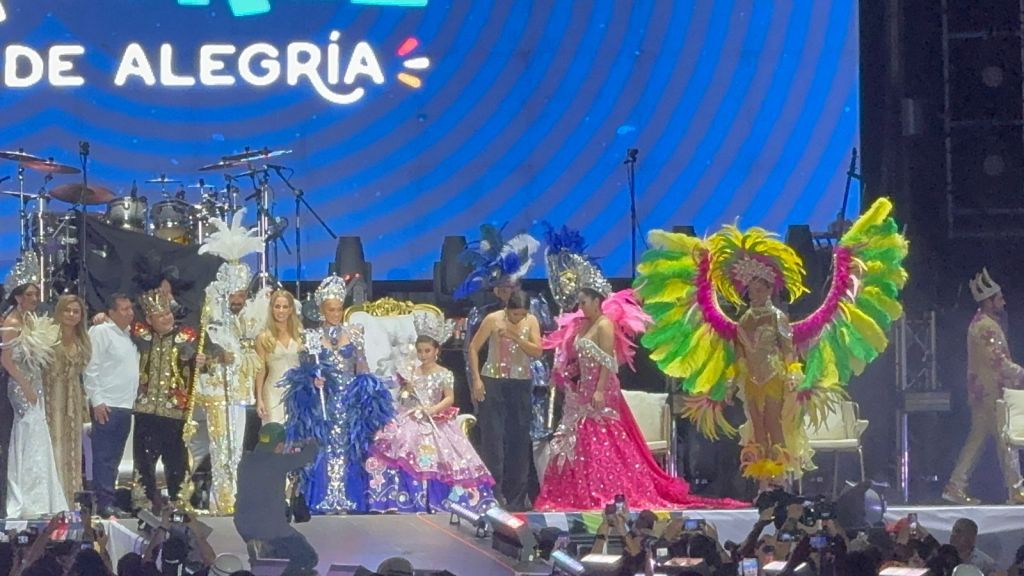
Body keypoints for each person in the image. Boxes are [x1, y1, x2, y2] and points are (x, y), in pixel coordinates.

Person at [633, 198, 908, 486]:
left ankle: (780, 481)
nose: (753, 294)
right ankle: (763, 482)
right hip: (751, 381)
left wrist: (793, 374)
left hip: (775, 378)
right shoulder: (744, 320)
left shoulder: (777, 318)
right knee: (757, 428)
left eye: (758, 289)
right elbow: (738, 354)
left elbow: (788, 350)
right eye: (750, 290)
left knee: (774, 424)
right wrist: (728, 383)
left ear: (769, 289)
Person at [535, 244, 743, 511]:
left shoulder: (604, 324)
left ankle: (606, 486)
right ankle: (577, 490)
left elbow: (608, 362)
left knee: (600, 436)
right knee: (576, 438)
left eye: (585, 302)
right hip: (582, 389)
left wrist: (599, 389)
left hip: (601, 387)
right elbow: (580, 357)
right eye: (580, 303)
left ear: (597, 301)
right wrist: (568, 373)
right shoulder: (584, 325)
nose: (581, 307)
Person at [281, 274, 393, 514]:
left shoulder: (354, 333)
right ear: (322, 310)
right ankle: (323, 497)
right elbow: (304, 370)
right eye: (331, 310)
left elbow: (362, 365)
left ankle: (348, 498)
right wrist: (313, 380)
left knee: (349, 446)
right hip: (325, 402)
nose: (336, 314)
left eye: (339, 309)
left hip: (349, 400)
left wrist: (368, 390)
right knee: (324, 446)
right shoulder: (311, 337)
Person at [364, 314, 497, 513]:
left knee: (447, 454)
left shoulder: (444, 373)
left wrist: (432, 410)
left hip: (435, 418)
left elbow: (449, 398)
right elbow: (403, 399)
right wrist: (406, 391)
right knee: (395, 443)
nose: (423, 355)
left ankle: (441, 499)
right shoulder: (411, 372)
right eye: (420, 351)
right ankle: (401, 498)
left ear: (436, 350)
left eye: (427, 351)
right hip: (411, 416)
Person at [194, 208, 267, 513]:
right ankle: (221, 498)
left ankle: (235, 497)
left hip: (239, 392)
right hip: (216, 391)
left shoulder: (248, 318)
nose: (237, 300)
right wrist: (213, 357)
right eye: (233, 295)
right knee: (220, 445)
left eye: (241, 294)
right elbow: (200, 346)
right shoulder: (210, 315)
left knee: (236, 447)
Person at [944, 269, 1024, 505]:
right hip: (992, 393)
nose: (1003, 302)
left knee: (981, 440)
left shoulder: (982, 323)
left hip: (985, 392)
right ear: (988, 301)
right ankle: (1015, 490)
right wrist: (1021, 374)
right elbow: (998, 361)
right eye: (999, 298)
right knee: (1005, 440)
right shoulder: (986, 326)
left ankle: (956, 485)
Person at [467, 289, 543, 511]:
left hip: (520, 383)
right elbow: (473, 348)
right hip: (493, 381)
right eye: (515, 314)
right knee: (493, 438)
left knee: (519, 439)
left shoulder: (531, 321)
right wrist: (476, 380)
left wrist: (516, 337)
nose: (518, 318)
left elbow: (537, 351)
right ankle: (492, 493)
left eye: (522, 314)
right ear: (507, 309)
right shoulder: (493, 319)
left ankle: (516, 497)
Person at [2, 266, 67, 518]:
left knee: (38, 433)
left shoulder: (29, 319)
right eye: (29, 294)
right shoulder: (11, 322)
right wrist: (26, 386)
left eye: (36, 294)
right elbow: (6, 360)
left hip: (34, 382)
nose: (34, 298)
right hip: (21, 386)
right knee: (27, 431)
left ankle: (41, 495)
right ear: (18, 297)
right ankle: (26, 496)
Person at [132, 289, 205, 513]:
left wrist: (202, 361)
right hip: (146, 409)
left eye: (168, 314)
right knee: (144, 460)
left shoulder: (187, 338)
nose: (166, 318)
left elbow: (208, 358)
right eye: (160, 315)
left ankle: (179, 500)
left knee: (176, 460)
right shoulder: (141, 337)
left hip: (175, 410)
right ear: (149, 319)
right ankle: (145, 501)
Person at [234, 423, 319, 576]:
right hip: (271, 528)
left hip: (243, 525)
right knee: (308, 558)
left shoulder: (245, 461)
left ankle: (263, 552)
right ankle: (267, 553)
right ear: (279, 445)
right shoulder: (278, 462)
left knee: (279, 556)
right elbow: (308, 456)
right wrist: (312, 443)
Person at [84, 293, 140, 517]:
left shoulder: (129, 335)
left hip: (125, 405)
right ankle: (103, 502)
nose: (129, 313)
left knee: (115, 457)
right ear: (111, 312)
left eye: (130, 308)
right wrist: (96, 400)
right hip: (107, 404)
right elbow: (90, 367)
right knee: (104, 457)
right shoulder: (101, 332)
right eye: (124, 309)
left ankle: (110, 499)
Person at [42, 294, 91, 504]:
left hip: (73, 396)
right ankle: (53, 498)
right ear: (59, 312)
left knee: (73, 448)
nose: (71, 315)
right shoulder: (49, 337)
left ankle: (71, 497)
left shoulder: (83, 340)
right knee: (54, 445)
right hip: (52, 396)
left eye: (76, 311)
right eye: (67, 310)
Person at [254, 290, 301, 425]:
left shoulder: (300, 335)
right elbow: (260, 370)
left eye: (285, 307)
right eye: (277, 306)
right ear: (272, 309)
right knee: (275, 432)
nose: (281, 311)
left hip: (297, 392)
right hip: (272, 393)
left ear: (291, 309)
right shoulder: (263, 338)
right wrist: (259, 399)